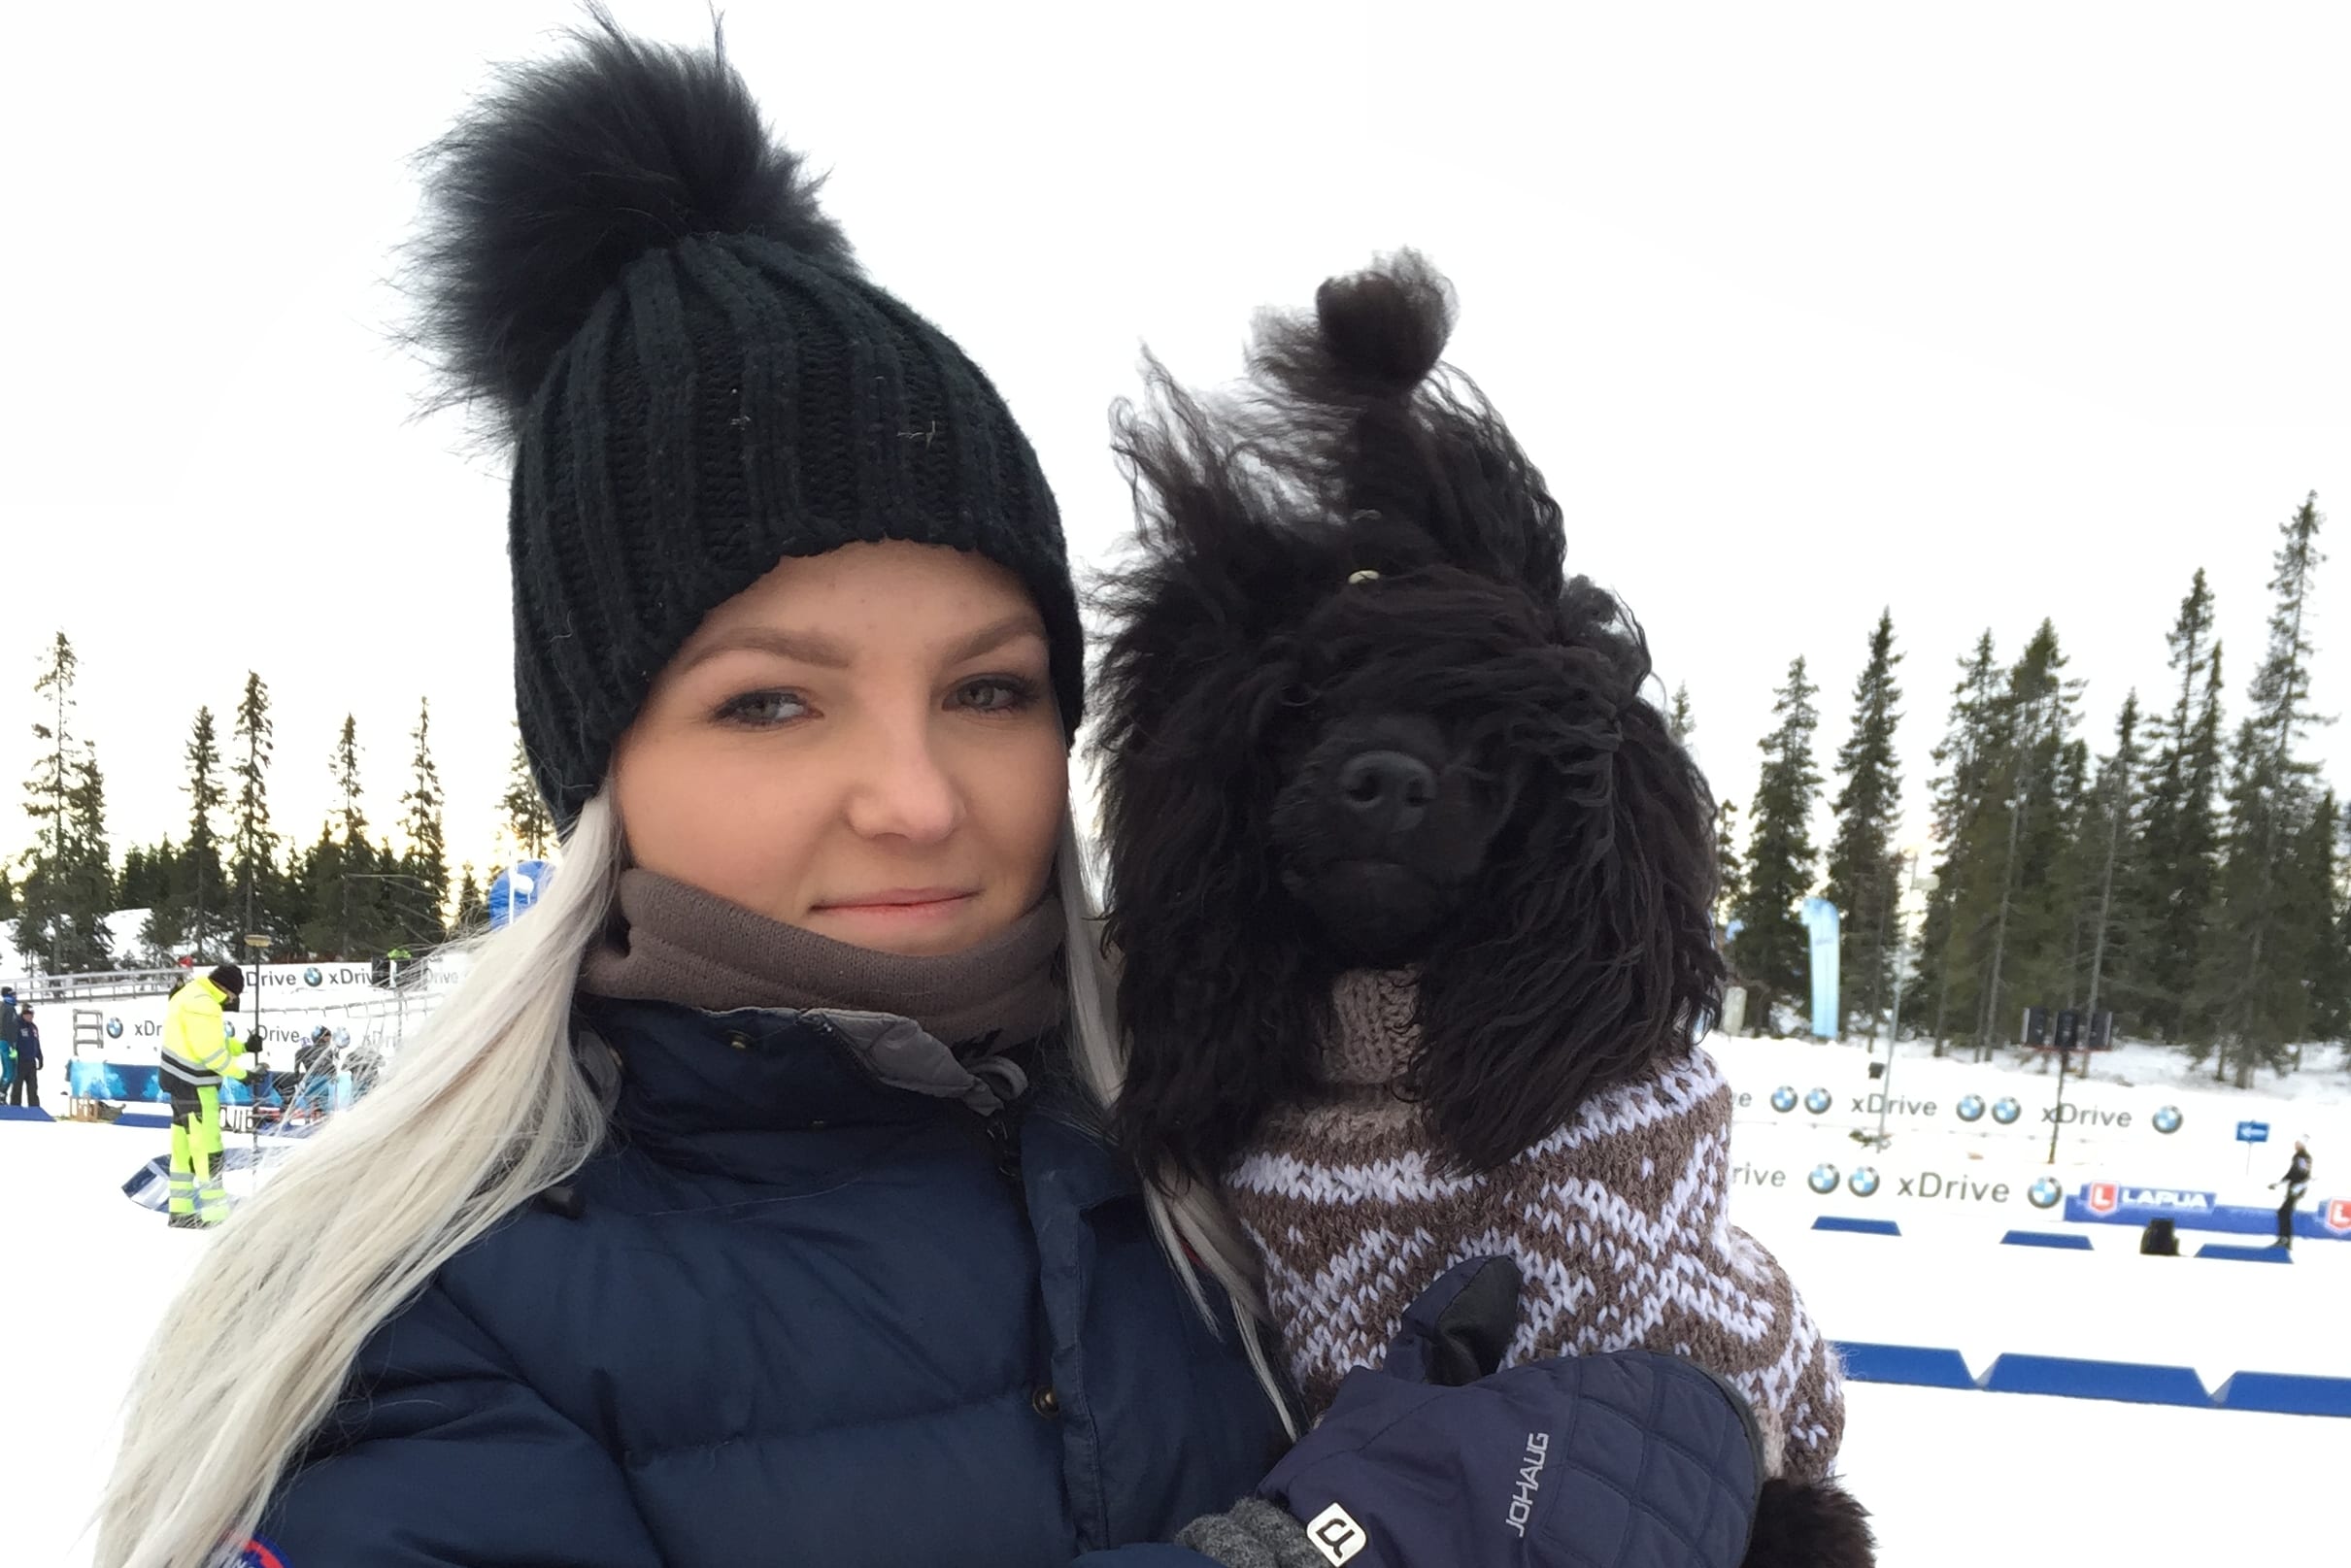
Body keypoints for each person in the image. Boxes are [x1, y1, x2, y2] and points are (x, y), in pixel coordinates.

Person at [93, 22, 1763, 1568]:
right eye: (769, 701)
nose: (912, 799)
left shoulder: (1206, 1165)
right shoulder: (420, 1315)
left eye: (988, 690)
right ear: (603, 768)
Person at [158, 964, 256, 1229]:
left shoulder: (190, 994)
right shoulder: (205, 1005)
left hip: (177, 1081)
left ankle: (180, 1210)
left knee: (183, 1150)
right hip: (196, 1085)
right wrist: (242, 1074)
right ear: (227, 988)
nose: (231, 1001)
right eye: (233, 996)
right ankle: (215, 1215)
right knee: (207, 1150)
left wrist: (243, 1047)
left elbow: (205, 1041)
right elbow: (211, 1054)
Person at [2271, 1137, 2313, 1249]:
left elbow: (2303, 1173)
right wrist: (2279, 1182)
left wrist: (2298, 1187)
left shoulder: (2303, 1157)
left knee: (2283, 1212)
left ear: (2302, 1145)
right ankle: (2285, 1239)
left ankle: (2285, 1239)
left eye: (2297, 1144)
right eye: (2295, 1143)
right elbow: (2292, 1172)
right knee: (2284, 1212)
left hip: (2297, 1189)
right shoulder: (2298, 1156)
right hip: (2294, 1188)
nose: (2295, 1146)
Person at [5, 1005, 40, 1109]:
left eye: (32, 1015)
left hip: (31, 1062)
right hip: (20, 1061)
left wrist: (39, 1056)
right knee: (17, 1086)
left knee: (33, 1087)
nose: (31, 1017)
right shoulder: (16, 1025)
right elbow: (11, 1040)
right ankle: (15, 1107)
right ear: (24, 1014)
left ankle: (34, 1108)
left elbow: (36, 1043)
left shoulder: (33, 1027)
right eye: (29, 1015)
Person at [0, 984, 18, 1099]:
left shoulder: (3, 1007)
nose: (16, 997)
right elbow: (8, 1027)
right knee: (11, 1071)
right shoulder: (9, 1008)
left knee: (6, 1070)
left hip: (3, 1042)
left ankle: (1, 1093)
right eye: (13, 994)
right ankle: (2, 1093)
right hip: (7, 1042)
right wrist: (12, 1044)